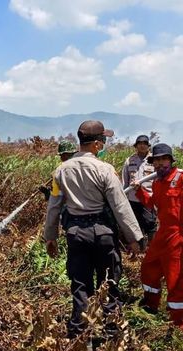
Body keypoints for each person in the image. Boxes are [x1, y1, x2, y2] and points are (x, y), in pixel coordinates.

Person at [44, 120, 142, 339]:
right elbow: (120, 206)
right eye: (104, 140)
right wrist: (133, 238)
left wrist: (50, 237)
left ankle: (79, 336)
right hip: (103, 233)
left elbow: (54, 207)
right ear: (97, 144)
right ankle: (111, 334)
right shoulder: (105, 170)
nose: (105, 143)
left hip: (76, 234)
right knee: (109, 283)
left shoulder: (60, 171)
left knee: (80, 285)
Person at [132, 143, 183, 328]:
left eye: (162, 160)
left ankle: (179, 323)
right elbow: (152, 203)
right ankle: (151, 306)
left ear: (170, 160)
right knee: (148, 268)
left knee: (175, 279)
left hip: (178, 236)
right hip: (162, 233)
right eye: (156, 161)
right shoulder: (158, 183)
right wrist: (139, 191)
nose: (159, 164)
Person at [122, 135, 157, 249]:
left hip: (148, 198)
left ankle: (153, 248)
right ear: (136, 146)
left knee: (150, 222)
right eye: (139, 143)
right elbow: (125, 181)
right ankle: (139, 249)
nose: (142, 145)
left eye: (144, 143)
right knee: (135, 224)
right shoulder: (129, 160)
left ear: (148, 146)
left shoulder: (154, 160)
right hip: (132, 198)